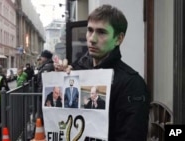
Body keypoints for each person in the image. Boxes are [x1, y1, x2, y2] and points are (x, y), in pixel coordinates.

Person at [55, 5, 150, 141]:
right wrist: (59, 79)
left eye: (101, 32)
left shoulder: (132, 84)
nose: (92, 39)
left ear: (118, 39)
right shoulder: (76, 71)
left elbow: (131, 136)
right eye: (90, 30)